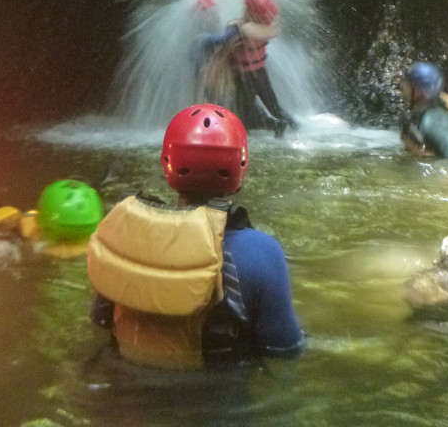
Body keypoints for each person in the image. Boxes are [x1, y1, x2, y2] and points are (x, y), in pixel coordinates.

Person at [87, 104, 306, 370]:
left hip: (126, 399)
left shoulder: (122, 235)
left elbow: (101, 320)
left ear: (167, 163)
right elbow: (285, 348)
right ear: (241, 166)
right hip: (220, 406)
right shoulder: (262, 252)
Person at [226, 0, 294, 137]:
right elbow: (271, 30)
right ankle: (292, 126)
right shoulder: (269, 29)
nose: (243, 10)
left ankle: (275, 125)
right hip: (260, 74)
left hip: (246, 78)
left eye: (247, 9)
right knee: (273, 106)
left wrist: (236, 25)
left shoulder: (246, 29)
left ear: (252, 13)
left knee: (242, 114)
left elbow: (247, 29)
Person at [399, 61, 448, 160]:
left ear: (419, 90)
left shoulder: (435, 119)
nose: (402, 86)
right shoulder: (424, 114)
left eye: (407, 83)